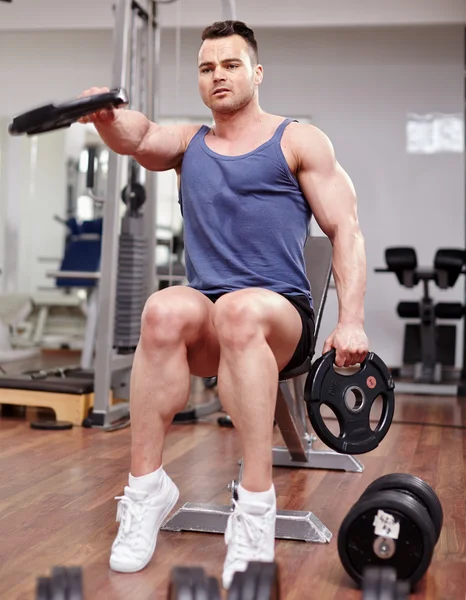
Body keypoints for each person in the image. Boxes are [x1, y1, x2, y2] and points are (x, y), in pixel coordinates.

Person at [79, 20, 369, 589]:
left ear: (256, 73)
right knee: (163, 308)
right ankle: (146, 490)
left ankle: (255, 508)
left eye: (230, 64)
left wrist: (352, 321)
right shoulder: (190, 144)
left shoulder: (298, 140)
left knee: (239, 310)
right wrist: (107, 115)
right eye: (207, 67)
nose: (218, 76)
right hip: (209, 317)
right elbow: (137, 137)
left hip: (278, 316)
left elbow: (347, 231)